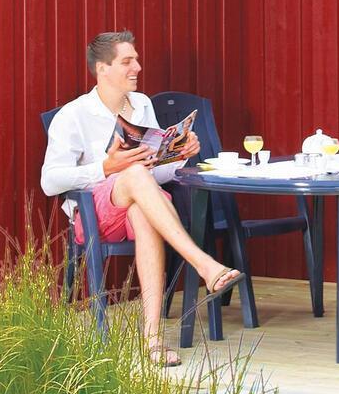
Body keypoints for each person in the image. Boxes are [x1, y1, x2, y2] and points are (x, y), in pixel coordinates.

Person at [41, 30, 240, 366]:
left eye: (136, 59)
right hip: (94, 216)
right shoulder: (73, 115)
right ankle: (203, 263)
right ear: (102, 68)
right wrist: (106, 167)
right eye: (127, 61)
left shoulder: (142, 104)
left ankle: (153, 341)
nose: (137, 67)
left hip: (139, 203)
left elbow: (154, 172)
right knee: (133, 174)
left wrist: (179, 156)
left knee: (143, 206)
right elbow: (50, 181)